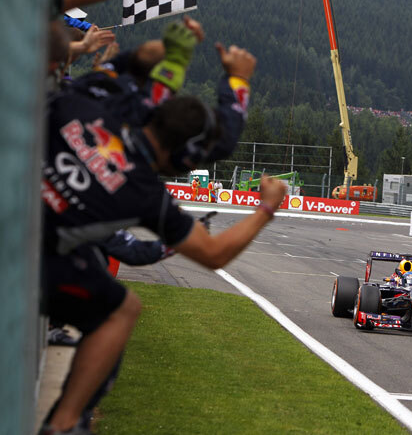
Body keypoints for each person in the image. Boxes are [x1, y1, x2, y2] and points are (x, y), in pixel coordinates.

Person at [39, 37, 285, 435]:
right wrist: (267, 208)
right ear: (185, 156)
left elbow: (115, 72)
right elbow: (214, 253)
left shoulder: (90, 104)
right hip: (26, 256)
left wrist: (160, 55)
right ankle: (65, 423)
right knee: (121, 309)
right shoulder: (143, 193)